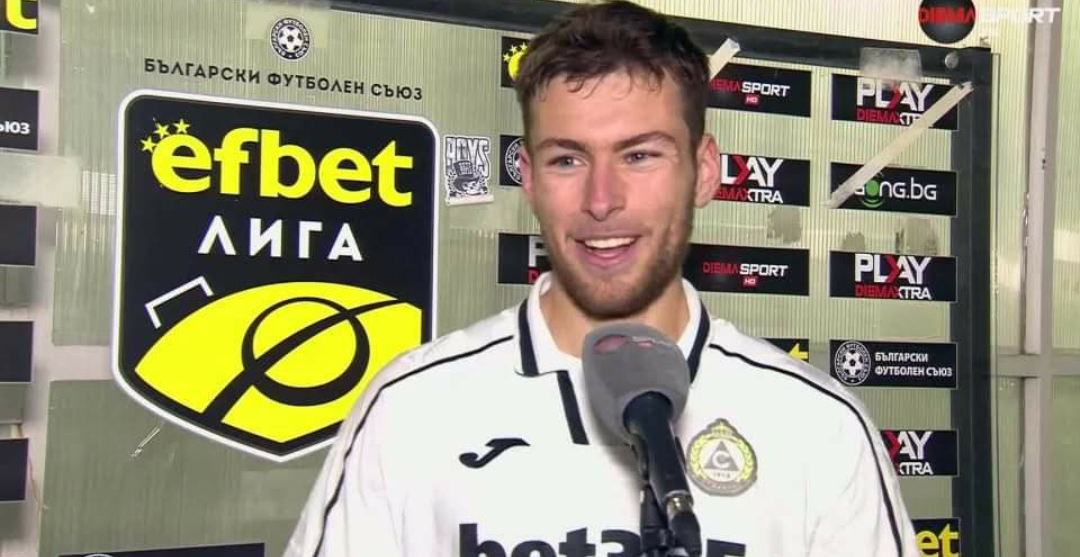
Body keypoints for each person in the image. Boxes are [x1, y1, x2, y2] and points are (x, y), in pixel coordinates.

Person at [285, 1, 918, 556]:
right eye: (567, 159)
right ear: (529, 178)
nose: (601, 200)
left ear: (703, 171)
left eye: (639, 155)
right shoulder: (410, 410)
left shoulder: (817, 426)